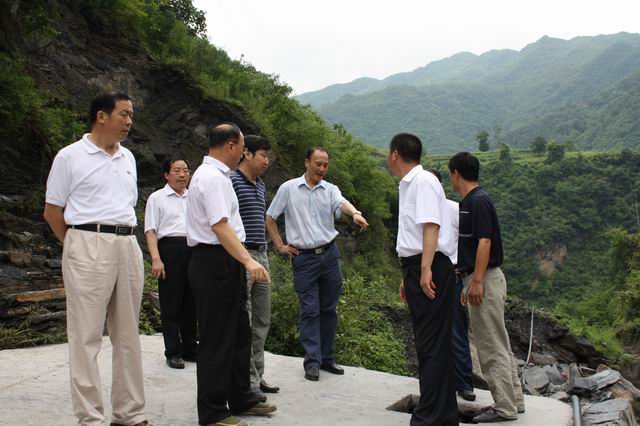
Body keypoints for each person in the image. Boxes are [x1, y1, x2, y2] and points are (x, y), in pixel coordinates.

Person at [43, 91, 151, 426]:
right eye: (124, 114)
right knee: (86, 335)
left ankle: (129, 412)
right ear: (101, 116)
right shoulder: (69, 156)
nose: (130, 121)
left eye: (131, 115)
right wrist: (75, 244)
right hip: (87, 241)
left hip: (127, 243)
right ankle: (90, 417)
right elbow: (52, 212)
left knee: (128, 334)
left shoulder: (128, 158)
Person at [186, 123, 276, 426]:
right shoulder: (211, 178)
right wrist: (249, 261)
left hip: (227, 261)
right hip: (214, 262)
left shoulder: (220, 177)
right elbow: (220, 226)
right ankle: (212, 411)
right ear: (231, 146)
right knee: (216, 339)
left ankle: (241, 396)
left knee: (239, 333)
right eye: (242, 148)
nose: (242, 154)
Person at [265, 147, 369, 381]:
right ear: (307, 163)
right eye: (318, 164)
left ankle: (327, 359)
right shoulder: (289, 188)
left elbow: (342, 203)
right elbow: (270, 217)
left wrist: (354, 213)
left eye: (325, 165)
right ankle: (312, 362)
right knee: (310, 310)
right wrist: (280, 246)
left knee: (329, 309)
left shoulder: (330, 189)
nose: (322, 168)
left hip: (329, 256)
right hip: (304, 259)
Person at [448, 152, 525, 423]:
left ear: (456, 173)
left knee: (490, 345)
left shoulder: (477, 201)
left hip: (486, 279)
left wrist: (477, 281)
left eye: (450, 174)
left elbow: (485, 242)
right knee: (498, 342)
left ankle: (504, 407)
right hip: (480, 277)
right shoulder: (473, 201)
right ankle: (514, 401)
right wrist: (468, 281)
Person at [387, 133, 458, 426]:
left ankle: (431, 416)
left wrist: (425, 269)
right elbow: (413, 236)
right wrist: (408, 275)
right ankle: (441, 415)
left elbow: (431, 226)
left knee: (432, 344)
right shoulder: (410, 184)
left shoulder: (423, 181)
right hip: (417, 266)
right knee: (430, 344)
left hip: (430, 267)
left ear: (395, 154)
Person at [230, 135, 279, 402]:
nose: (266, 161)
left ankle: (257, 375)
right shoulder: (232, 181)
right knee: (245, 320)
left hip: (262, 253)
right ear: (246, 154)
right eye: (263, 155)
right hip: (243, 254)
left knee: (262, 318)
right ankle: (247, 381)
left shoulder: (260, 185)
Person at [144, 158, 197, 370]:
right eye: (177, 170)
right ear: (167, 175)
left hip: (194, 249)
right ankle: (173, 351)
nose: (182, 174)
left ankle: (191, 348)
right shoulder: (157, 198)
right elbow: (151, 231)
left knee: (192, 302)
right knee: (171, 303)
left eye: (185, 170)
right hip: (170, 250)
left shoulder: (194, 197)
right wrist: (156, 259)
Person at [428, 169, 476, 402]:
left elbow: (469, 244)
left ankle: (464, 383)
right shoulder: (417, 211)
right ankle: (436, 382)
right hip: (426, 275)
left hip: (453, 274)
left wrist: (469, 278)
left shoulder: (455, 209)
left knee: (456, 330)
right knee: (430, 330)